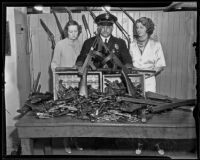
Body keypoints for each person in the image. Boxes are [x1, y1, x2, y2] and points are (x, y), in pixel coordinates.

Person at [51, 20, 83, 154]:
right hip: (64, 83)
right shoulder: (60, 44)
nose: (73, 34)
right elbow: (53, 63)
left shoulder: (82, 44)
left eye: (75, 31)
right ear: (66, 31)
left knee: (78, 111)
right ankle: (65, 142)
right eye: (70, 31)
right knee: (66, 113)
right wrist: (58, 75)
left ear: (78, 31)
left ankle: (75, 141)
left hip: (78, 82)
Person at [130, 17, 166, 92]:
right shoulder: (132, 45)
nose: (138, 30)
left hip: (149, 81)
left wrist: (148, 75)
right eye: (137, 27)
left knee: (150, 101)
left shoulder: (156, 45)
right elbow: (128, 64)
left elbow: (160, 65)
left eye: (141, 27)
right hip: (134, 81)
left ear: (147, 28)